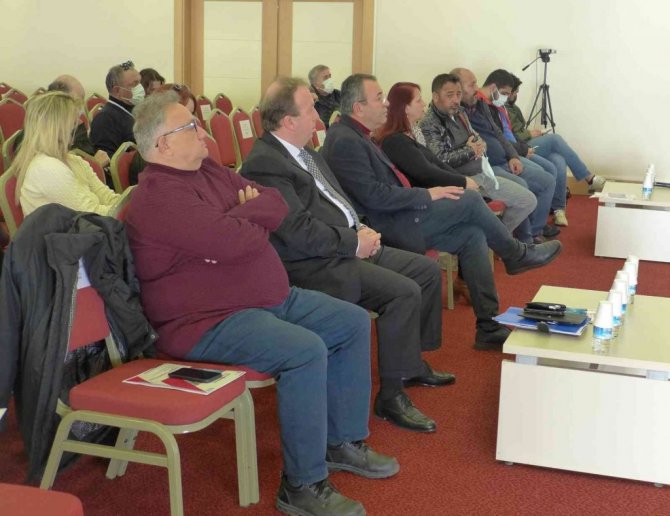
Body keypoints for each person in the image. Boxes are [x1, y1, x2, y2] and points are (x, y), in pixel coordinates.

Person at [125, 91, 399, 516]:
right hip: (205, 321)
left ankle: (340, 441)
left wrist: (241, 217)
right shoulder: (159, 197)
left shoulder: (208, 170)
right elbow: (231, 242)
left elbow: (274, 202)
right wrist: (247, 218)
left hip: (266, 298)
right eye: (190, 127)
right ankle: (302, 485)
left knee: (351, 322)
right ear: (163, 144)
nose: (203, 133)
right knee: (304, 350)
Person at [242, 77, 455, 434]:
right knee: (403, 292)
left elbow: (337, 201)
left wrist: (360, 228)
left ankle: (409, 363)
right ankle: (391, 395)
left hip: (345, 243)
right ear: (289, 121)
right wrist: (353, 242)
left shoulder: (306, 152)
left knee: (424, 272)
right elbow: (298, 232)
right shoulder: (266, 164)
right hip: (315, 263)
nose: (318, 117)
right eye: (310, 110)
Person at [321, 73, 563, 350]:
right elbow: (373, 197)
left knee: (473, 235)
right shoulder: (347, 140)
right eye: (379, 98)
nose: (386, 103)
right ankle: (515, 254)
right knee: (470, 200)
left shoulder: (356, 135)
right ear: (358, 107)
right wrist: (428, 195)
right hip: (389, 225)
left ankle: (488, 326)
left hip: (400, 214)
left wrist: (434, 192)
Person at [418, 74, 537, 241]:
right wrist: (470, 150)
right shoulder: (429, 123)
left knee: (528, 200)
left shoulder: (460, 112)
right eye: (450, 95)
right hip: (461, 180)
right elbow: (440, 160)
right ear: (436, 96)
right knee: (525, 199)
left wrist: (479, 145)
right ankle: (503, 242)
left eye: (458, 94)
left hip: (481, 172)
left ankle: (496, 241)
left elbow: (477, 138)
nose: (456, 100)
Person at [452, 68, 558, 244]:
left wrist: (513, 155)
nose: (477, 88)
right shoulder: (457, 114)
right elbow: (459, 153)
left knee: (551, 171)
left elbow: (499, 133)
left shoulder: (480, 105)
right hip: (486, 166)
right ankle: (522, 241)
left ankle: (526, 235)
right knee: (524, 187)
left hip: (504, 159)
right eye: (472, 84)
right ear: (457, 89)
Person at [9, 91, 122, 217]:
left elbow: (108, 197)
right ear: (56, 126)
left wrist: (128, 206)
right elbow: (91, 215)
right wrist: (128, 212)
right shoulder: (47, 168)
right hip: (80, 227)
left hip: (89, 226)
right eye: (73, 120)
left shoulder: (74, 160)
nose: (80, 122)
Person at [478, 69, 567, 228]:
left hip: (510, 152)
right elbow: (498, 140)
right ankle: (531, 231)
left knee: (557, 160)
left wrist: (516, 153)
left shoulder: (496, 106)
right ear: (493, 88)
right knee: (554, 143)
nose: (508, 97)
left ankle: (553, 212)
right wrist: (522, 149)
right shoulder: (480, 107)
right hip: (497, 161)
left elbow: (505, 135)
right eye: (505, 93)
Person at [506, 72, 606, 213]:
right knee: (555, 139)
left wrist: (530, 133)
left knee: (558, 159)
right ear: (509, 91)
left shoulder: (514, 108)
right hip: (520, 147)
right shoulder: (501, 109)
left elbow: (519, 129)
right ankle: (589, 178)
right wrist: (529, 133)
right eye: (515, 92)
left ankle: (558, 208)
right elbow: (509, 136)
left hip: (528, 141)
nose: (516, 95)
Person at [90, 60, 144, 157]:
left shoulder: (135, 110)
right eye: (134, 84)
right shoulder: (105, 118)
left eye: (140, 82)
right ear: (117, 90)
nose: (140, 87)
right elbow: (107, 160)